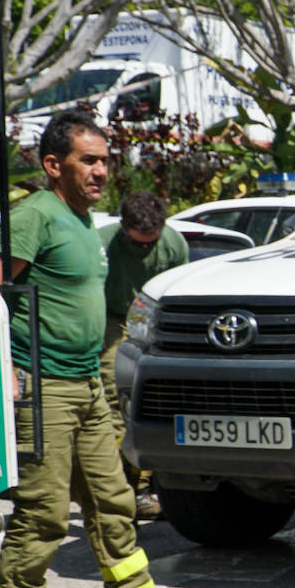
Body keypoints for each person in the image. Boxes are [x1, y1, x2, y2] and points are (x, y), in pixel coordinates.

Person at [0, 111, 189, 588]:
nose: (101, 171)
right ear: (53, 164)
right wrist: (3, 365)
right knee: (45, 513)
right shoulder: (34, 217)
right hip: (44, 387)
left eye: (105, 160)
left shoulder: (83, 221)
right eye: (88, 160)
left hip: (86, 386)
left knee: (114, 501)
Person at [89, 192, 188, 520]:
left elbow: (179, 293)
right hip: (112, 319)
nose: (144, 249)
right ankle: (126, 487)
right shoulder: (101, 243)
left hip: (154, 320)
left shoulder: (174, 244)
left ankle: (148, 483)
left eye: (151, 243)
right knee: (118, 399)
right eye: (137, 244)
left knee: (154, 402)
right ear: (123, 228)